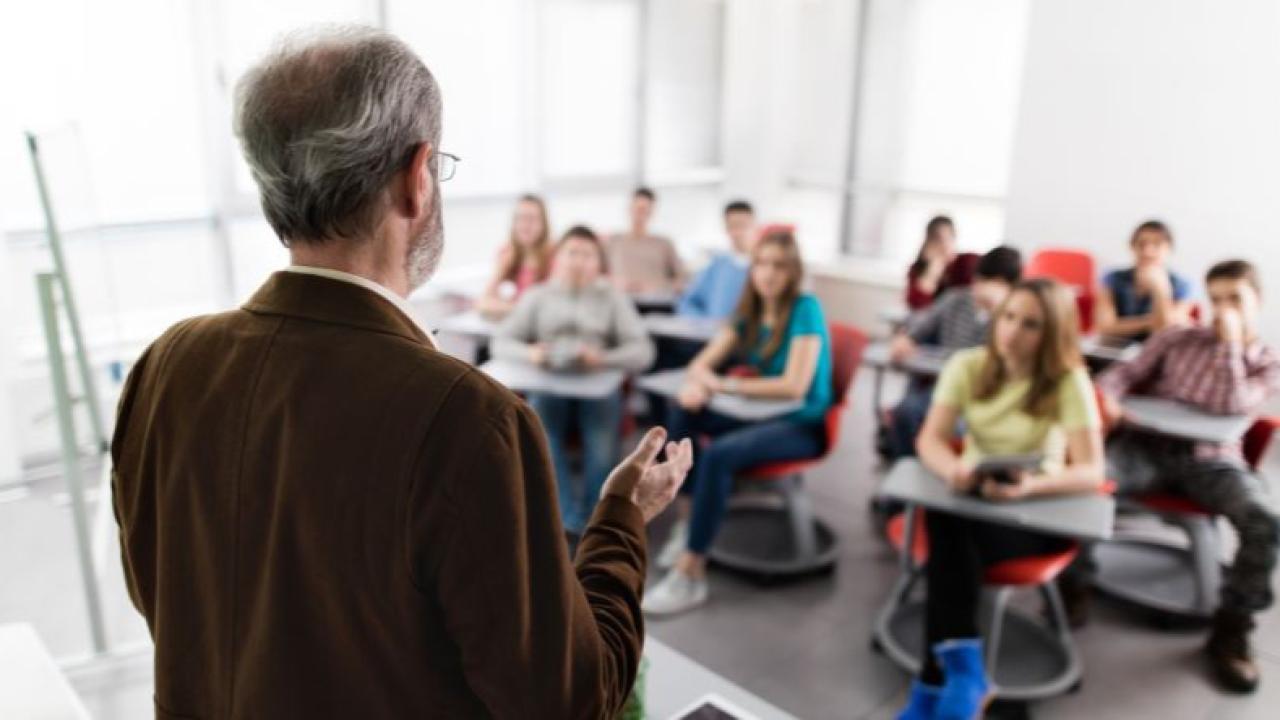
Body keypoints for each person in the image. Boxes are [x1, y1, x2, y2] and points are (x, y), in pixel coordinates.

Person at [110, 28, 693, 719]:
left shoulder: (165, 366)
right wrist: (621, 520)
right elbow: (570, 700)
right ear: (417, 179)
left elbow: (165, 597)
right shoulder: (468, 420)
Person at [896, 279, 1105, 720]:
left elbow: (1091, 471)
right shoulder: (967, 365)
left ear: (1051, 334)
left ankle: (933, 685)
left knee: (946, 541)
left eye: (1030, 324)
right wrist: (953, 469)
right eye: (1008, 317)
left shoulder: (1069, 380)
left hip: (1036, 513)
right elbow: (929, 440)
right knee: (949, 521)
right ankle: (964, 676)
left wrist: (1028, 486)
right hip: (973, 497)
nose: (1012, 331)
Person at [1088, 260, 1280, 693]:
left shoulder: (1267, 362)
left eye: (1234, 299)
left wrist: (1229, 345)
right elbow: (1122, 373)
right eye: (1215, 299)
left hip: (1211, 461)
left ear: (1257, 302)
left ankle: (1232, 633)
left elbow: (1232, 405)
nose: (1222, 309)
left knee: (1263, 519)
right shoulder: (1176, 338)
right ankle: (1073, 589)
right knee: (1087, 482)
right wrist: (1110, 399)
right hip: (1146, 449)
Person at [643, 229, 833, 616]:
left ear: (792, 271)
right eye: (761, 263)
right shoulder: (749, 310)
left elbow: (794, 385)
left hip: (801, 425)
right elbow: (701, 363)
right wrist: (700, 385)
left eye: (779, 265)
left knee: (719, 456)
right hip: (755, 414)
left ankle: (690, 571)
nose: (768, 274)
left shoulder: (805, 308)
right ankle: (687, 520)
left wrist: (724, 384)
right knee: (683, 409)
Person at [493, 226, 656, 535]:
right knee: (540, 435)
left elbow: (643, 351)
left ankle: (598, 517)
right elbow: (501, 342)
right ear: (558, 257)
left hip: (597, 386)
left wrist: (603, 358)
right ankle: (569, 519)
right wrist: (532, 354)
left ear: (599, 263)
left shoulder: (612, 298)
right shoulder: (537, 295)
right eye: (572, 252)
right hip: (548, 382)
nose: (579, 261)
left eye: (587, 254)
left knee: (600, 442)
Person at [887, 246, 1023, 459]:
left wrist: (998, 312)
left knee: (960, 430)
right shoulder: (955, 299)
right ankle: (908, 469)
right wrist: (905, 340)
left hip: (983, 395)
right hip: (942, 386)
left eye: (995, 284)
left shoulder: (1015, 316)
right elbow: (918, 329)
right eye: (980, 280)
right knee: (907, 412)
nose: (983, 289)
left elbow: (1009, 362)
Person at [1093, 219, 1195, 340]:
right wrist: (1152, 321)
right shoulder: (1113, 278)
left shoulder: (1182, 284)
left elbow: (1166, 330)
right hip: (1118, 348)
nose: (1148, 252)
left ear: (1169, 248)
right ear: (1132, 246)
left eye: (1157, 244)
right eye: (1141, 244)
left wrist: (1160, 288)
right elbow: (1105, 328)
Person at [475, 194, 553, 319]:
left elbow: (548, 309)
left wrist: (508, 306)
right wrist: (502, 268)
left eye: (531, 219)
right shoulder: (507, 253)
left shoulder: (555, 256)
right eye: (520, 218)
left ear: (544, 223)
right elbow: (483, 304)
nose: (525, 225)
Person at [676, 200, 757, 320]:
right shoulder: (716, 266)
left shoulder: (763, 266)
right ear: (726, 228)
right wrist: (703, 324)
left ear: (754, 226)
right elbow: (687, 303)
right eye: (732, 226)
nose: (738, 233)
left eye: (743, 225)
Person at [607, 187, 685, 296]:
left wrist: (657, 287)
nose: (640, 216)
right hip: (620, 301)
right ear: (629, 208)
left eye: (645, 211)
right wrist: (616, 283)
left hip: (655, 303)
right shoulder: (613, 241)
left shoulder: (664, 244)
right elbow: (597, 277)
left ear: (652, 212)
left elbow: (681, 281)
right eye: (638, 209)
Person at [905, 215, 978, 310]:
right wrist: (931, 273)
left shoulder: (968, 261)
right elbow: (917, 308)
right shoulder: (919, 268)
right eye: (936, 240)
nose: (943, 245)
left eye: (947, 238)